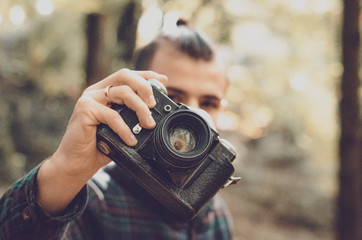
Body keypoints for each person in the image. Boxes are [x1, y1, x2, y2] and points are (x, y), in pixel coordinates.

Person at [0, 19, 233, 239]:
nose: (193, 117)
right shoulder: (91, 201)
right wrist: (64, 173)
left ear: (223, 110)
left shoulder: (215, 211)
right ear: (136, 96)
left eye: (208, 104)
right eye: (172, 99)